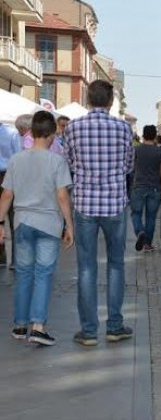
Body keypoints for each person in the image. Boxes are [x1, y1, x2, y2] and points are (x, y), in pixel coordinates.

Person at [63, 80, 135, 347]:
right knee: (116, 265)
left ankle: (89, 330)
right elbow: (129, 165)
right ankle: (114, 326)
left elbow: (69, 161)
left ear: (88, 99)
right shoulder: (123, 128)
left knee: (86, 267)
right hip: (115, 203)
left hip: (84, 205)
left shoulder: (73, 127)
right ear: (110, 101)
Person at [0, 111, 72, 346]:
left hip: (22, 222)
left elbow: (7, 195)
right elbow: (62, 196)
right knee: (43, 274)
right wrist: (69, 225)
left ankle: (20, 326)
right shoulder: (57, 161)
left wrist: (0, 222)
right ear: (52, 135)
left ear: (32, 132)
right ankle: (38, 327)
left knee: (23, 274)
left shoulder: (16, 159)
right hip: (49, 224)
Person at [130, 125, 161, 253]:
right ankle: (147, 244)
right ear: (155, 136)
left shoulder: (136, 150)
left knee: (136, 213)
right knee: (151, 217)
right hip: (154, 188)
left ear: (143, 135)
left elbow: (130, 168)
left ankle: (140, 231)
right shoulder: (160, 152)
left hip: (138, 186)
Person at [0, 118, 21, 267]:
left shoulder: (11, 132)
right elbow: (19, 156)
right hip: (8, 174)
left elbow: (19, 157)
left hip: (8, 174)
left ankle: (6, 258)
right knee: (13, 219)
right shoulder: (12, 133)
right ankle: (11, 259)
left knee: (12, 219)